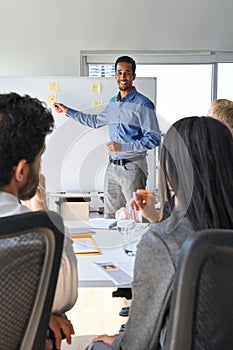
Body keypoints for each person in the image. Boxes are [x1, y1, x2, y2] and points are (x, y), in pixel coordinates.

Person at [84, 116, 233, 350]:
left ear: (170, 166)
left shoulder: (162, 240)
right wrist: (155, 216)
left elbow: (138, 341)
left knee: (96, 347)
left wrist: (119, 341)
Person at [0, 92, 78, 350]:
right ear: (21, 170)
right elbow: (63, 296)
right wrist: (39, 205)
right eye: (39, 159)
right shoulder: (42, 232)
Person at [53, 56, 161, 218]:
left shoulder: (143, 104)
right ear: (115, 76)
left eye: (127, 73)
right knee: (110, 216)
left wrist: (123, 147)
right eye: (119, 73)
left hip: (133, 168)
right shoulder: (113, 103)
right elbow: (95, 121)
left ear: (133, 76)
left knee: (136, 216)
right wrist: (67, 111)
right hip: (112, 168)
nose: (123, 77)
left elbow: (153, 138)